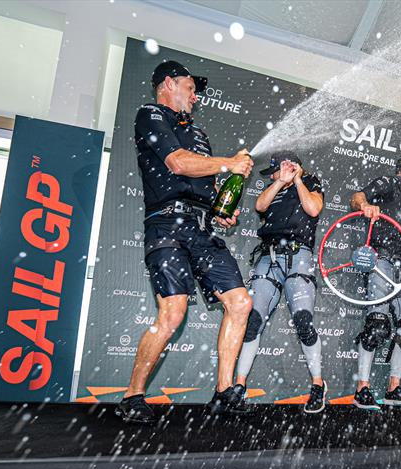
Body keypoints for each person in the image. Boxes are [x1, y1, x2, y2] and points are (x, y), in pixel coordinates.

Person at [116, 60, 254, 424]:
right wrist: (228, 163)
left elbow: (205, 184)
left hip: (201, 229)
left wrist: (221, 210)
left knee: (240, 303)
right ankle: (132, 396)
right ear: (168, 83)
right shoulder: (150, 115)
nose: (195, 96)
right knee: (173, 312)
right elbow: (177, 164)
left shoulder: (199, 134)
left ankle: (224, 394)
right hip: (165, 226)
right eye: (190, 87)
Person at [234, 152, 326, 413]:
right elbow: (260, 206)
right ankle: (239, 386)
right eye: (274, 173)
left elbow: (314, 209)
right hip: (269, 257)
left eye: (275, 171)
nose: (274, 175)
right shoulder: (273, 188)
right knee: (252, 321)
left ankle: (317, 385)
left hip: (299, 256)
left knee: (303, 322)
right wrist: (278, 182)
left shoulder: (311, 183)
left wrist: (297, 179)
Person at [348, 154, 401, 410]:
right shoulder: (387, 183)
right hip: (381, 260)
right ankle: (363, 389)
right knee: (377, 325)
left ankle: (394, 389)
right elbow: (357, 197)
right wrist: (365, 206)